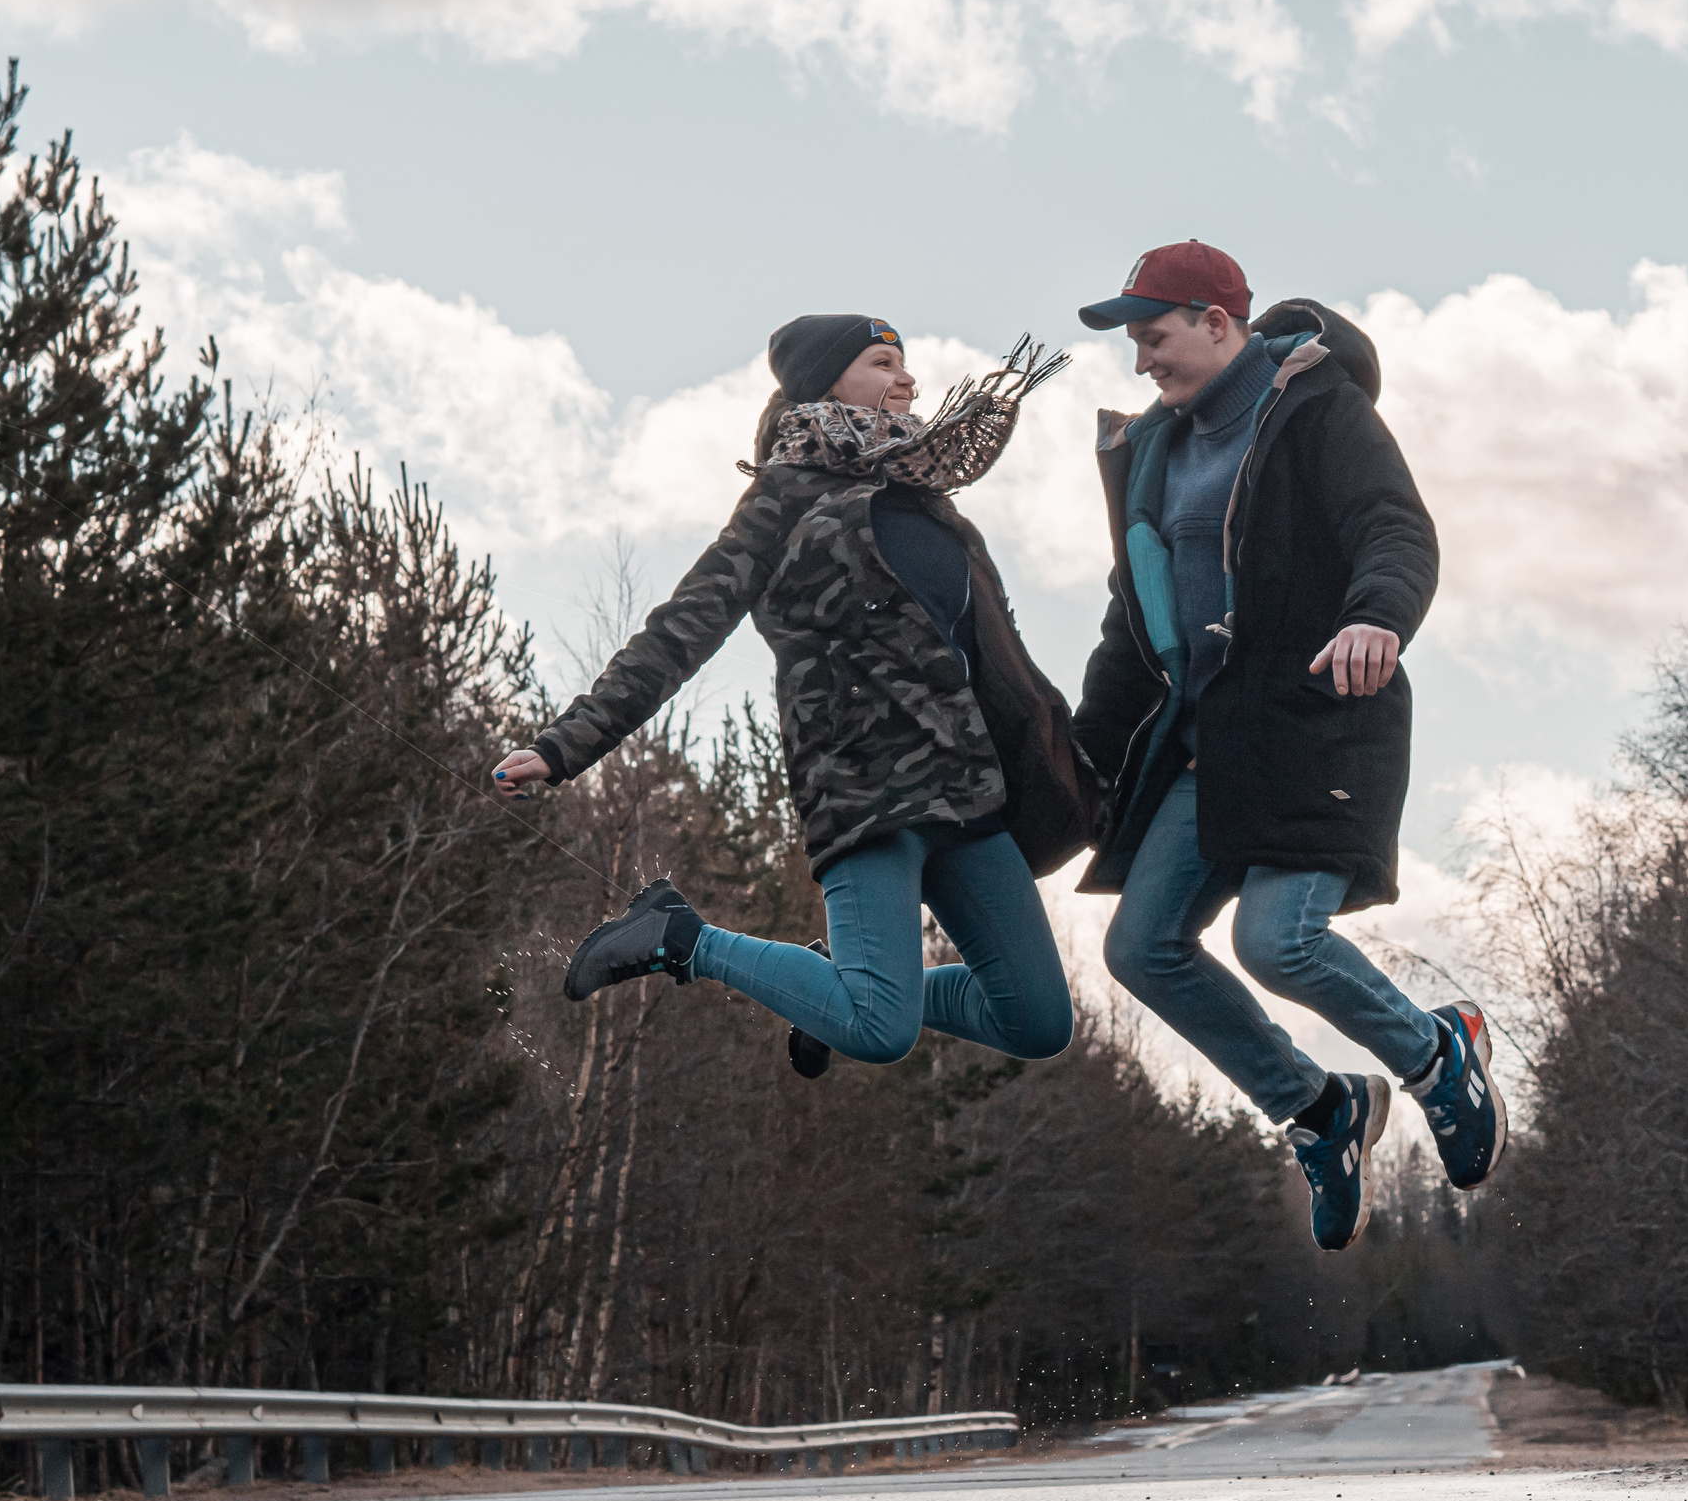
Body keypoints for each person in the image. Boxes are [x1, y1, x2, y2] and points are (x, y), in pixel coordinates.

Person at [491, 315, 1097, 1074]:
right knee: (879, 1030)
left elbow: (1003, 668)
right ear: (825, 381)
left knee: (1038, 1020)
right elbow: (679, 634)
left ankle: (819, 988)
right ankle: (680, 938)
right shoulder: (786, 498)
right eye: (882, 363)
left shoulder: (936, 509)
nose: (906, 379)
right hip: (864, 793)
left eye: (905, 364)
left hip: (967, 793)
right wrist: (560, 747)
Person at [1070, 241, 1505, 1252]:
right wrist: (1085, 761)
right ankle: (1319, 1112)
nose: (1142, 361)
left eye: (1154, 335)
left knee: (1277, 940)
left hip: (1315, 716)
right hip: (1207, 742)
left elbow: (1394, 528)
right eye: (1134, 343)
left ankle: (1436, 1055)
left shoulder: (1315, 410)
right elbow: (1128, 627)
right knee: (1142, 948)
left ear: (1217, 322)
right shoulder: (1151, 453)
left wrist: (1377, 618)